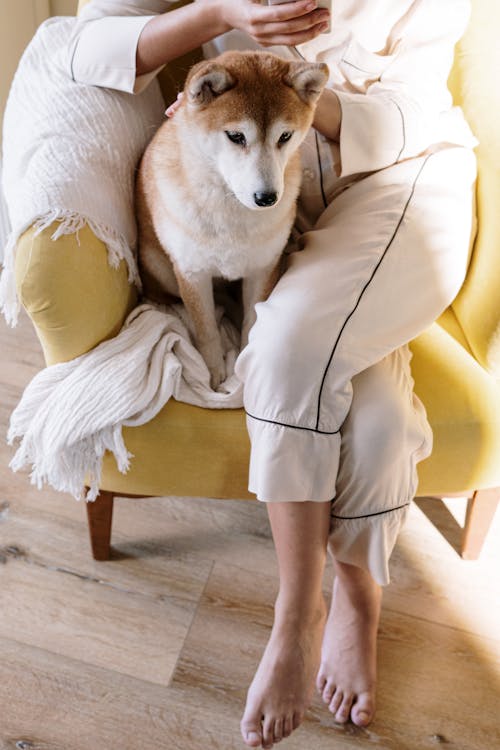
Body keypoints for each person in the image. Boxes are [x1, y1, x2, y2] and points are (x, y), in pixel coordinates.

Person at [67, 2, 477, 748]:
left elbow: (420, 101)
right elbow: (90, 45)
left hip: (400, 177)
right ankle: (361, 591)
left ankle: (300, 613)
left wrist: (307, 104)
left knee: (284, 346)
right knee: (378, 413)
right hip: (266, 190)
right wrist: (216, 15)